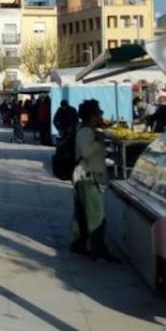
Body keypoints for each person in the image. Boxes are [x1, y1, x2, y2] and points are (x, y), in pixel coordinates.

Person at [70, 99, 119, 262]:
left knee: (83, 213)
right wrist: (98, 140)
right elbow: (86, 152)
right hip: (88, 176)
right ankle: (98, 250)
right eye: (99, 113)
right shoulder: (86, 132)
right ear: (93, 115)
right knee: (96, 214)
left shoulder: (87, 129)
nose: (101, 116)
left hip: (85, 175)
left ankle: (78, 244)